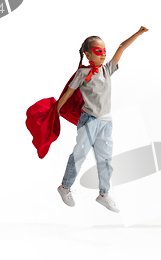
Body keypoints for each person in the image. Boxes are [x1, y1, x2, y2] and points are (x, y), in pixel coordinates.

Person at [56, 27, 149, 212]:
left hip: (106, 122)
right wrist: (56, 111)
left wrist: (138, 33)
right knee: (79, 155)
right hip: (89, 120)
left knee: (105, 159)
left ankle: (104, 194)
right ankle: (65, 186)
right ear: (87, 54)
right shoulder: (82, 74)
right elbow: (69, 93)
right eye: (99, 51)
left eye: (105, 51)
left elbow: (122, 47)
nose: (103, 55)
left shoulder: (107, 70)